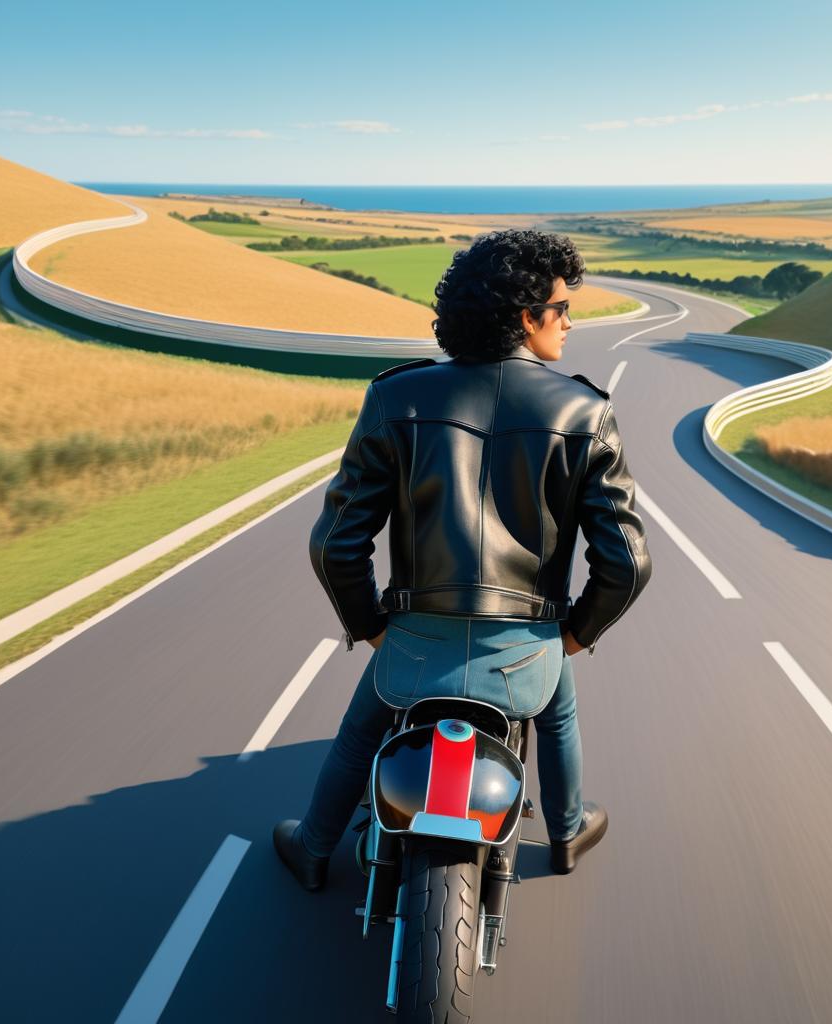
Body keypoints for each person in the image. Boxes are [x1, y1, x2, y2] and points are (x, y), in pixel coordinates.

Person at [274, 229, 652, 890]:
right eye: (561, 308)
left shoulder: (396, 398)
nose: (570, 320)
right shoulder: (585, 411)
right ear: (525, 317)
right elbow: (627, 562)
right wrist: (572, 634)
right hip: (528, 640)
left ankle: (313, 847)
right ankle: (565, 833)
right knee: (557, 708)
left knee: (363, 724)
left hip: (415, 636)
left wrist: (369, 626)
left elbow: (335, 541)